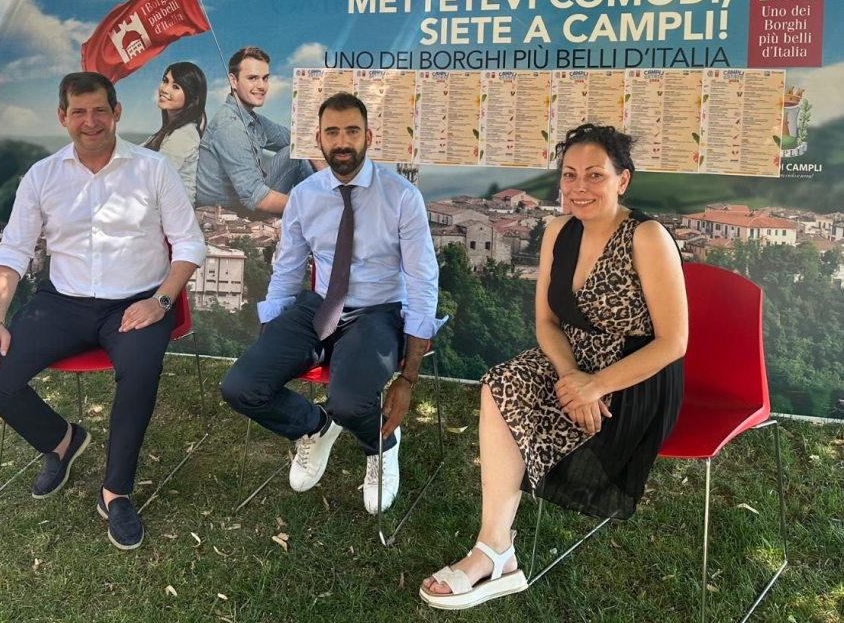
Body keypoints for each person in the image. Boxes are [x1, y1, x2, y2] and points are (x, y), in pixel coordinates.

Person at [420, 123, 688, 609]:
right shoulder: (558, 231)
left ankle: (494, 555)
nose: (579, 187)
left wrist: (596, 385)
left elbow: (673, 343)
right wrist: (572, 379)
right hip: (572, 361)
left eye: (595, 174)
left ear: (623, 179)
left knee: (518, 395)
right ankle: (495, 550)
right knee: (499, 384)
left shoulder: (647, 237)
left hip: (634, 375)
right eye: (569, 174)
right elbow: (546, 323)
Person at [0, 72, 207, 551]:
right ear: (63, 117)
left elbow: (189, 243)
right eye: (78, 112)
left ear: (117, 112)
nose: (90, 122)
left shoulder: (153, 168)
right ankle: (63, 441)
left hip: (136, 302)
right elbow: (12, 252)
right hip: (63, 302)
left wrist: (161, 301)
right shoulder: (42, 175)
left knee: (139, 372)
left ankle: (116, 492)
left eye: (100, 110)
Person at [220, 91, 444, 514]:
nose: (342, 142)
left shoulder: (401, 197)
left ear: (368, 138)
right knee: (241, 387)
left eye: (352, 131)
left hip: (377, 312)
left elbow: (422, 280)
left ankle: (381, 444)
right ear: (318, 140)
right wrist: (271, 335)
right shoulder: (305, 195)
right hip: (319, 307)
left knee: (350, 402)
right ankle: (316, 427)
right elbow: (287, 268)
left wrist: (408, 378)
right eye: (332, 132)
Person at [195, 45, 314, 216]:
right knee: (299, 157)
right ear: (233, 81)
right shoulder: (230, 127)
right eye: (252, 78)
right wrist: (313, 206)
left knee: (296, 151)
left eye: (265, 78)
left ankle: (332, 202)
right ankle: (329, 210)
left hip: (248, 202)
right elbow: (257, 198)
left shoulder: (251, 119)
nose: (262, 86)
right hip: (232, 216)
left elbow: (297, 139)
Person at [143, 61, 207, 205]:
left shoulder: (183, 135)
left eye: (176, 87)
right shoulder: (168, 132)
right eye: (165, 81)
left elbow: (154, 178)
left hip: (173, 211)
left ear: (191, 96)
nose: (165, 89)